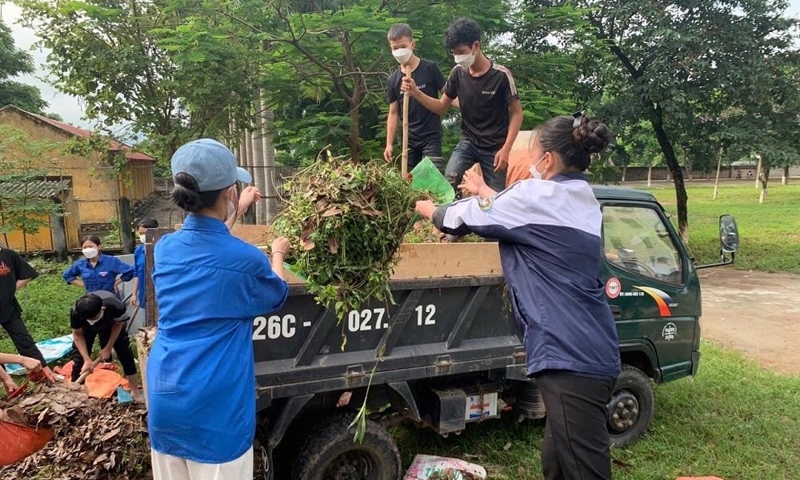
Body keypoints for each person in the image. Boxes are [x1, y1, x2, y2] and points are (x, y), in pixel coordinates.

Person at [415, 113, 621, 480]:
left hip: (570, 356)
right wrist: (483, 191)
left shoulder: (534, 196)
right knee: (557, 464)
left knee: (585, 472)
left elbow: (457, 219)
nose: (518, 162)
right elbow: (521, 213)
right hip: (590, 347)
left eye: (527, 153)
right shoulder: (583, 198)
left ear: (548, 160)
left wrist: (428, 209)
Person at [147, 138, 290, 479]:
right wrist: (278, 253)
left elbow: (206, 245)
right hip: (215, 408)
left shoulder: (166, 249)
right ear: (229, 191)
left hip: (166, 393)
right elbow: (277, 293)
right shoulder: (246, 260)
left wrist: (237, 209)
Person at [402, 17, 523, 195]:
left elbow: (517, 113)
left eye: (461, 51)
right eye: (454, 53)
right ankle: (452, 219)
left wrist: (506, 149)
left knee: (495, 198)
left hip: (495, 146)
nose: (458, 58)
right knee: (450, 181)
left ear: (476, 46)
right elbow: (441, 107)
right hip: (469, 141)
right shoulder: (458, 73)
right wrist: (416, 92)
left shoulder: (501, 75)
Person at [384, 23, 448, 172]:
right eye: (395, 48)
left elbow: (449, 96)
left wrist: (467, 105)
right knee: (408, 183)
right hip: (408, 140)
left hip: (431, 137)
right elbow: (393, 113)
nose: (399, 51)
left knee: (431, 179)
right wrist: (389, 144)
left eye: (403, 46)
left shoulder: (430, 68)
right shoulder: (393, 80)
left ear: (412, 44)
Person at [69, 290, 143, 401]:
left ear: (102, 309)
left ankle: (135, 391)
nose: (91, 321)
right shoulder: (77, 312)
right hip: (86, 330)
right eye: (89, 319)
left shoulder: (115, 306)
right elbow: (78, 335)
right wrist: (87, 359)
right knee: (79, 361)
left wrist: (108, 347)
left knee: (125, 352)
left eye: (93, 318)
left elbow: (118, 324)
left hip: (111, 324)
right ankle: (76, 396)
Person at [0, 246, 56, 382]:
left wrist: (11, 290)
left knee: (24, 340)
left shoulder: (8, 255)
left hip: (9, 308)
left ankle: (43, 372)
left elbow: (28, 274)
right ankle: (5, 380)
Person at [62, 236, 134, 295]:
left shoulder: (111, 261)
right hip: (92, 300)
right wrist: (83, 285)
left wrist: (116, 282)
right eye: (85, 247)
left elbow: (130, 272)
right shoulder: (80, 264)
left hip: (110, 298)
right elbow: (67, 275)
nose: (88, 249)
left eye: (91, 246)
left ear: (99, 247)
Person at [131, 218, 158, 314]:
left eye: (145, 233)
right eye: (140, 233)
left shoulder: (162, 249)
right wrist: (134, 294)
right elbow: (136, 274)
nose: (143, 236)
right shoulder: (138, 251)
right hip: (144, 295)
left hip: (160, 294)